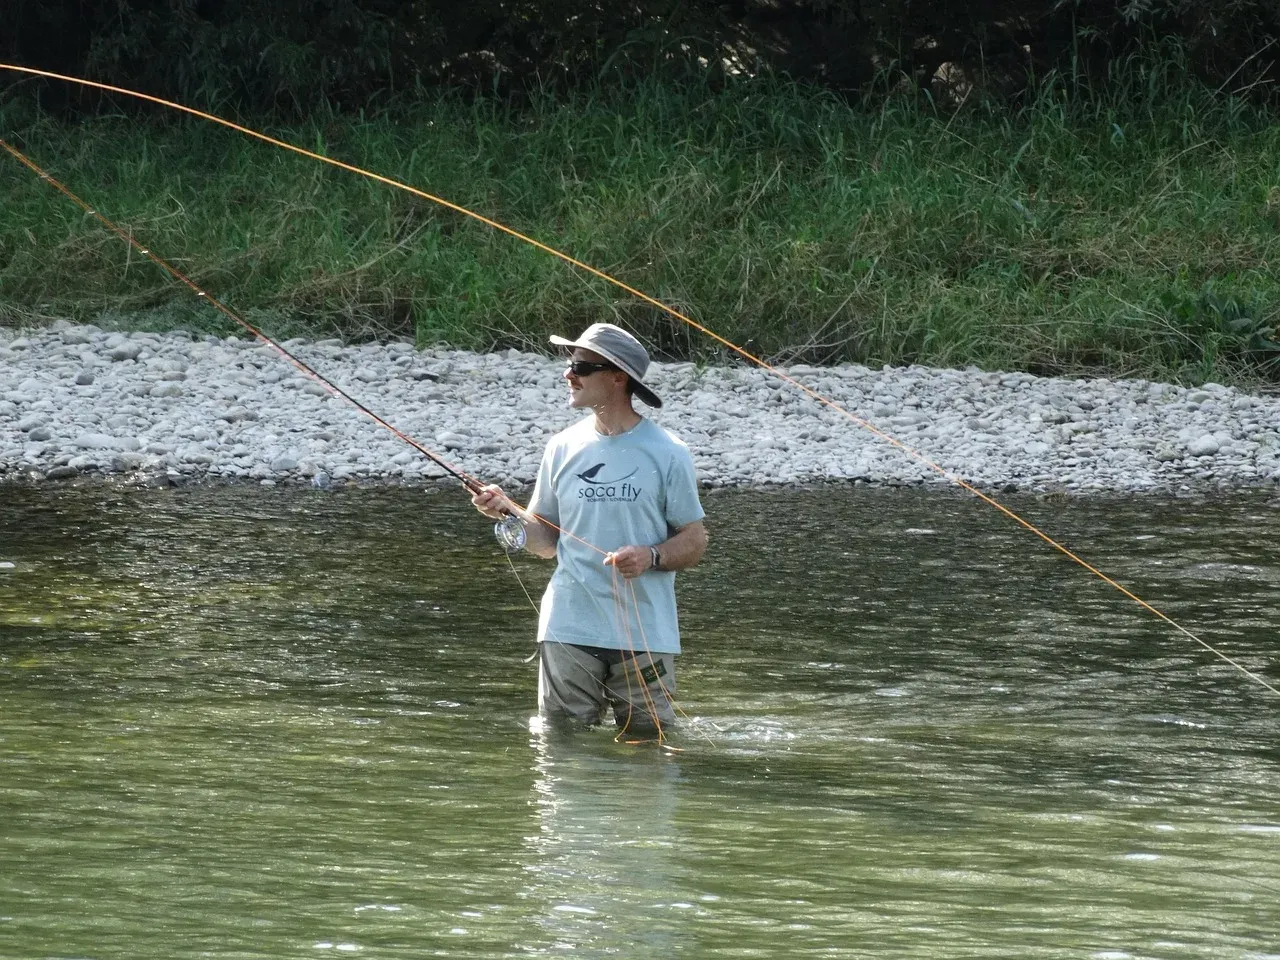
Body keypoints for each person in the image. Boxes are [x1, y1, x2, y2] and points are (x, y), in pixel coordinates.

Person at [472, 322, 707, 738]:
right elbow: (546, 543)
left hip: (646, 634)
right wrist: (507, 511)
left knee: (649, 750)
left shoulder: (669, 451)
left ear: (618, 377)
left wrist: (651, 556)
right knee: (561, 749)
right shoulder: (561, 447)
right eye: (569, 364)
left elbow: (694, 539)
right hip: (567, 627)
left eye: (581, 366)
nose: (569, 374)